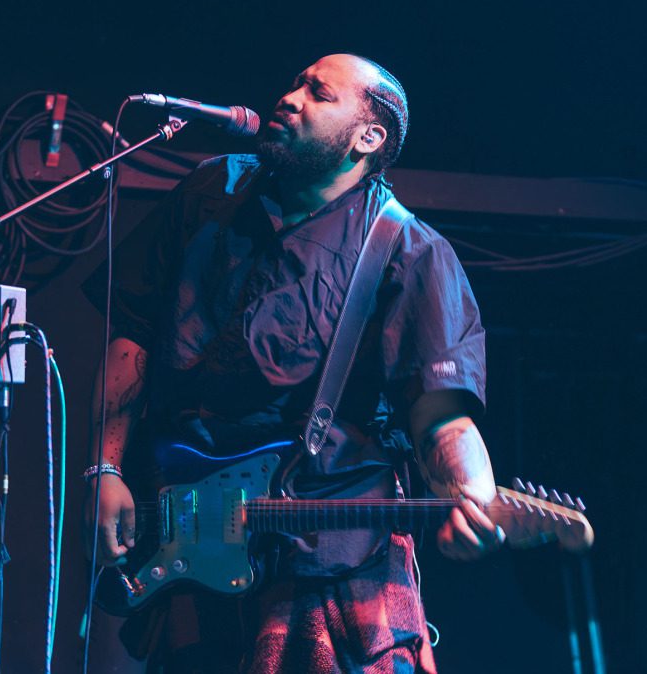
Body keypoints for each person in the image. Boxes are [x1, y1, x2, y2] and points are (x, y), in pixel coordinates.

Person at [82, 53, 503, 673]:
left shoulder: (407, 251)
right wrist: (104, 466)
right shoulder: (212, 191)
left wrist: (474, 494)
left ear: (368, 137)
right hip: (186, 536)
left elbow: (442, 417)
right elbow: (135, 335)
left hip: (327, 563)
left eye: (318, 93)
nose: (290, 96)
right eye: (295, 83)